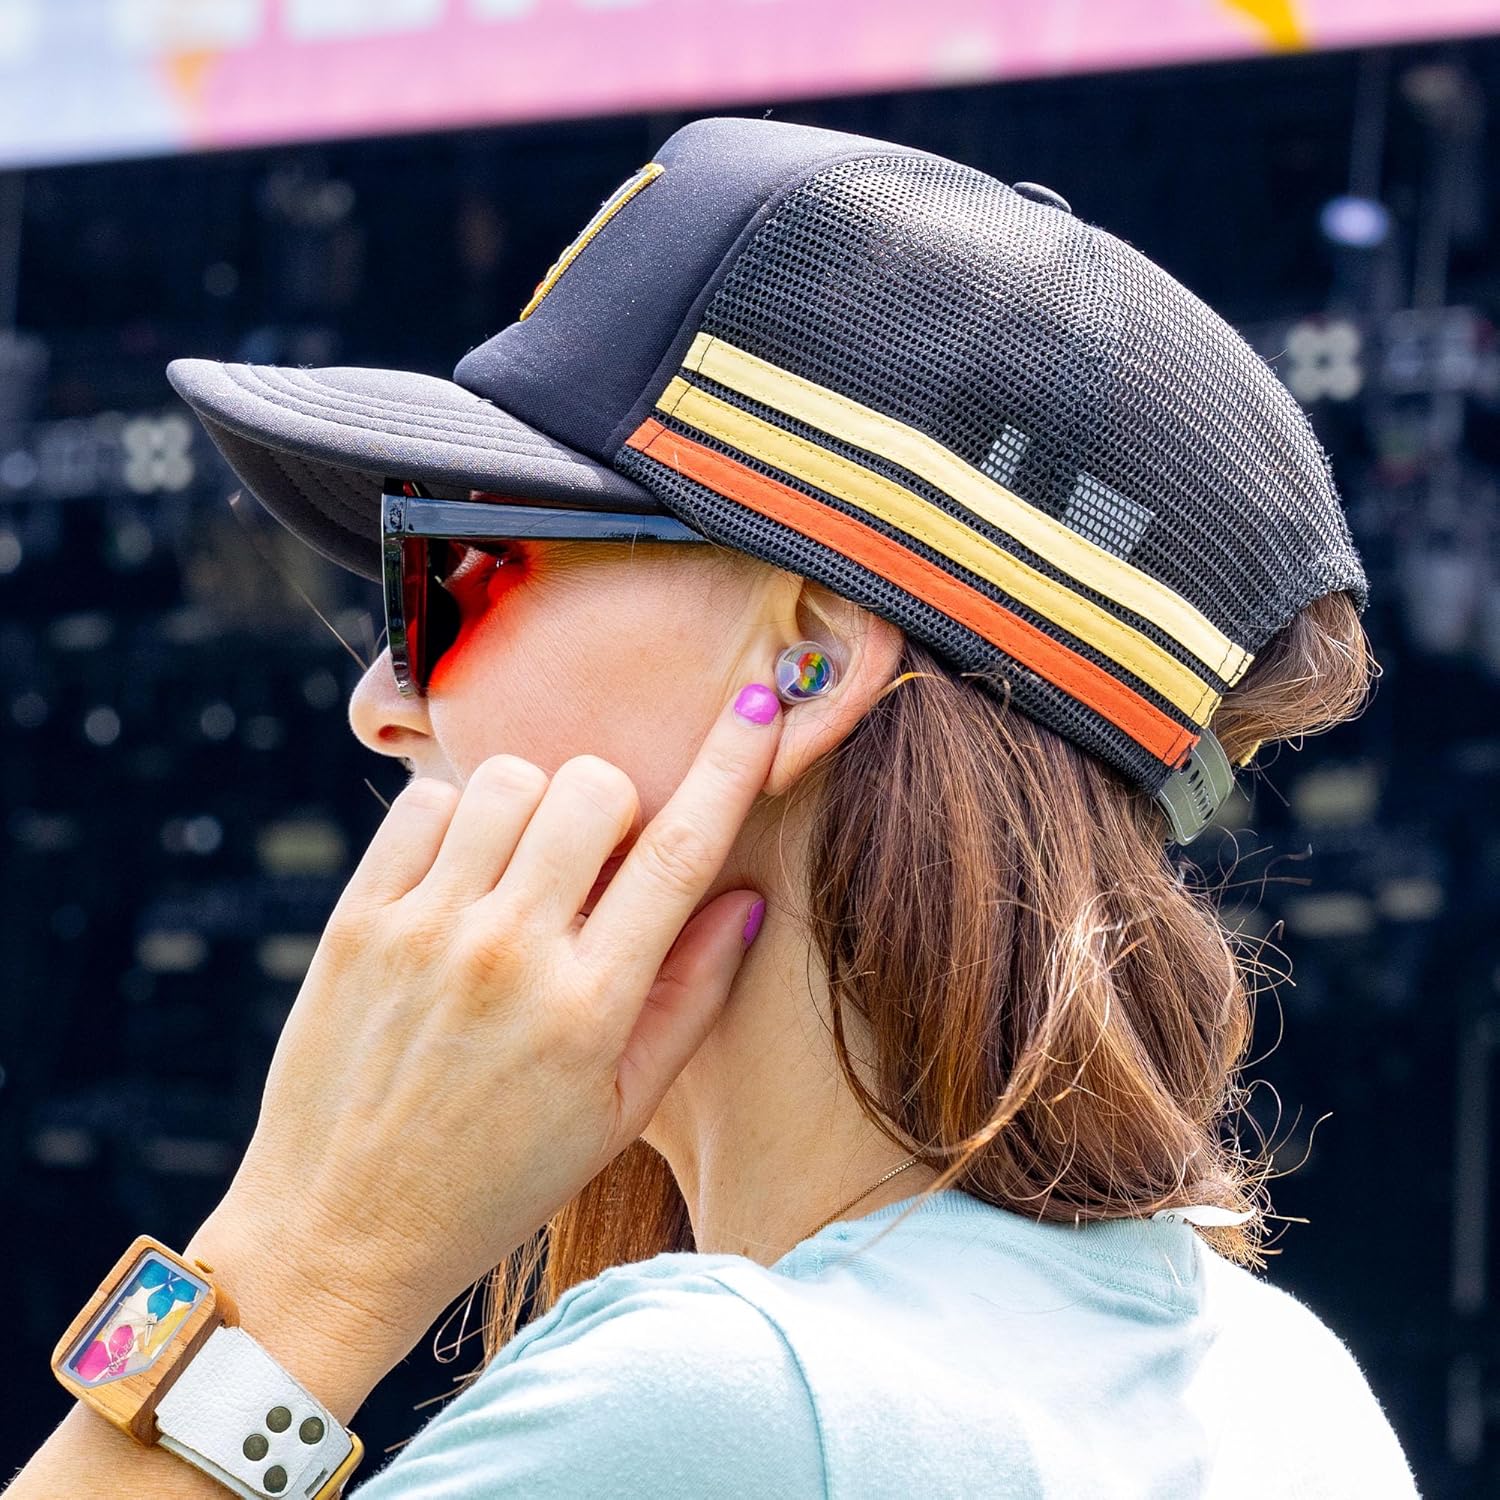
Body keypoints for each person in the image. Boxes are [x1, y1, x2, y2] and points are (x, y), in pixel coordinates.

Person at [13, 116, 1418, 1498]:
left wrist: (304, 1259)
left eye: (461, 564)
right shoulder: (1282, 1381)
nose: (380, 698)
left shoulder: (724, 1399)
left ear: (802, 663)